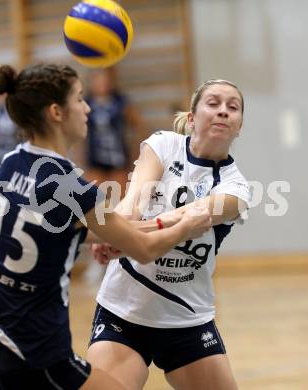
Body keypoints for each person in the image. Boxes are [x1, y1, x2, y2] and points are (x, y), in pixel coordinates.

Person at [0, 63, 213, 390]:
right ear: (56, 112)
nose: (87, 109)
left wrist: (157, 223)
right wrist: (189, 225)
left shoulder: (11, 162)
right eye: (80, 99)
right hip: (31, 348)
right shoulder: (67, 182)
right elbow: (142, 251)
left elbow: (55, 231)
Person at [87, 79, 252, 390]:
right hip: (124, 310)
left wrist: (122, 237)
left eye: (233, 108)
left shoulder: (237, 189)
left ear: (239, 126)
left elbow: (190, 217)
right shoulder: (163, 145)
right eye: (213, 103)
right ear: (191, 118)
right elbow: (132, 202)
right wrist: (116, 230)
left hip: (186, 320)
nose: (223, 112)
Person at [84, 67, 145, 192]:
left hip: (118, 159)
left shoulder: (120, 101)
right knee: (96, 201)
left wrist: (137, 152)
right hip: (94, 160)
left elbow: (139, 125)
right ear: (91, 81)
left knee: (119, 199)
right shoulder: (86, 102)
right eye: (97, 78)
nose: (102, 82)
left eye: (105, 78)